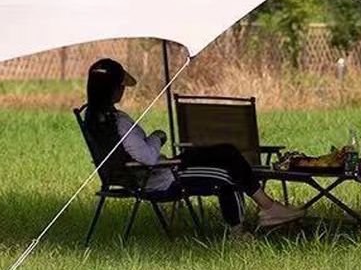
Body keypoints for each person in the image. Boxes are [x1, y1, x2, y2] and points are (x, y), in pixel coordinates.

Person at [83, 57, 302, 231]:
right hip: (162, 177)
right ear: (112, 89)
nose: (123, 90)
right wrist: (158, 137)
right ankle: (251, 222)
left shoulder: (93, 119)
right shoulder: (118, 121)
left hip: (147, 175)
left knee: (226, 154)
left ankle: (268, 207)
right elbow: (148, 157)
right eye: (121, 86)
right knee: (225, 168)